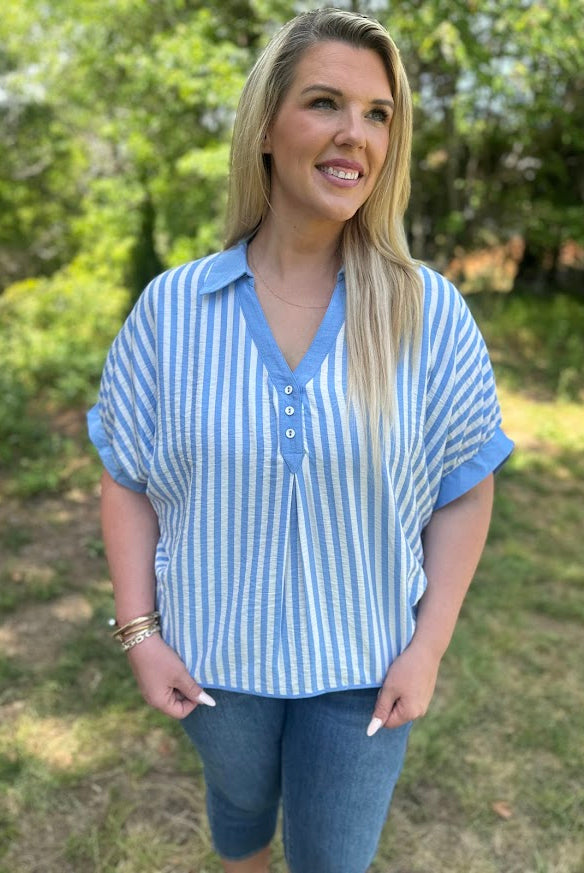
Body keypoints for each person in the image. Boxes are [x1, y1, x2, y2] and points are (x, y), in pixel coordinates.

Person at [88, 8, 514, 873]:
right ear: (268, 131)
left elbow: (466, 486)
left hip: (363, 666)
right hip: (214, 660)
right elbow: (125, 473)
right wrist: (141, 632)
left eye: (378, 113)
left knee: (331, 859)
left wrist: (427, 647)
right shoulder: (173, 311)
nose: (355, 135)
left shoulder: (427, 314)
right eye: (325, 103)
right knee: (241, 808)